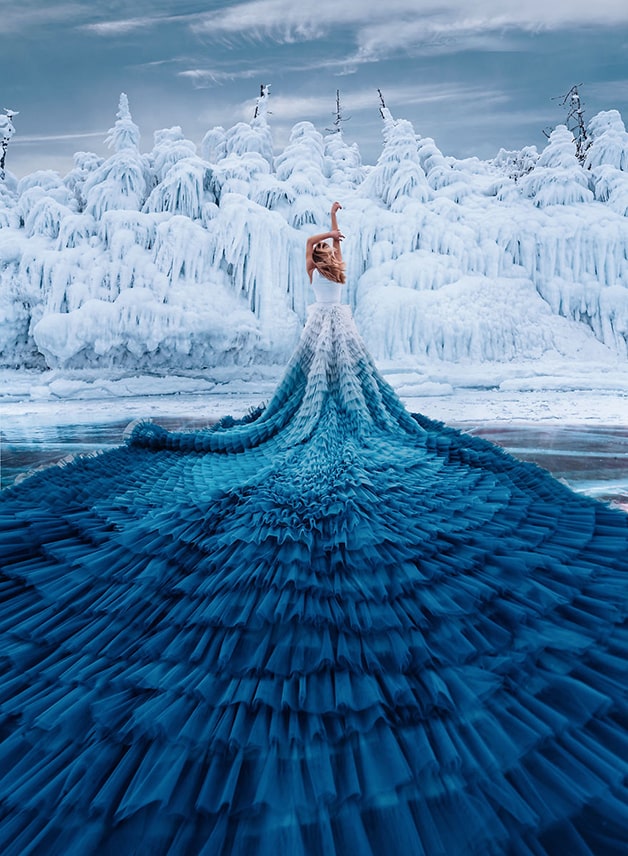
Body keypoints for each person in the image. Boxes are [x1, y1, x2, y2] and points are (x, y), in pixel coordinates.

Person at [0, 202, 627, 856]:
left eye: (331, 248)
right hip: (327, 330)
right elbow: (322, 245)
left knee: (335, 410)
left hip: (337, 332)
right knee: (314, 415)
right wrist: (327, 229)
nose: (330, 251)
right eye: (328, 248)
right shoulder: (317, 254)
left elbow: (332, 245)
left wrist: (333, 225)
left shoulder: (331, 255)